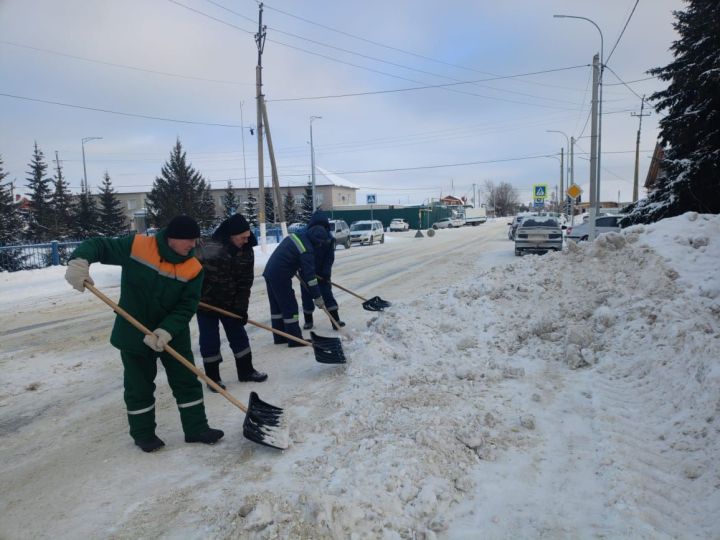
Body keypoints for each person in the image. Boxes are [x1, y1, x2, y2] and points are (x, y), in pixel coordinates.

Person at [64, 215, 223, 453]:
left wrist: (166, 330)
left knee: (187, 380)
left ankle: (197, 428)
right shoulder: (138, 246)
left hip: (172, 333)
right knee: (138, 386)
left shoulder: (193, 268)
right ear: (171, 238)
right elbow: (99, 245)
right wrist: (79, 261)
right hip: (133, 330)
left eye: (194, 240)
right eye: (187, 241)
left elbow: (187, 306)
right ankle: (143, 434)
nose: (192, 245)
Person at [194, 213, 267, 391]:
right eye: (241, 237)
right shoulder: (208, 247)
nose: (245, 240)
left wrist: (241, 308)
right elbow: (189, 271)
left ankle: (246, 371)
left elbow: (245, 282)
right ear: (230, 236)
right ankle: (213, 378)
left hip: (231, 303)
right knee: (209, 340)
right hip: (206, 304)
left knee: (239, 336)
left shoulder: (246, 251)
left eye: (247, 237)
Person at [262, 214, 332, 346]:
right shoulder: (307, 249)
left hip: (270, 272)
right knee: (290, 306)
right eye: (320, 243)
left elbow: (292, 257)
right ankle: (295, 339)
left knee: (277, 307)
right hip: (280, 275)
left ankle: (280, 336)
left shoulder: (298, 236)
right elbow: (310, 278)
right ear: (317, 241)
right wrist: (317, 297)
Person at [300, 211, 345, 330]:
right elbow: (329, 258)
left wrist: (324, 273)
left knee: (309, 294)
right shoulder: (326, 237)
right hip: (310, 271)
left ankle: (309, 322)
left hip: (313, 272)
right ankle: (335, 321)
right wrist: (324, 272)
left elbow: (329, 257)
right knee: (325, 295)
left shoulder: (308, 235)